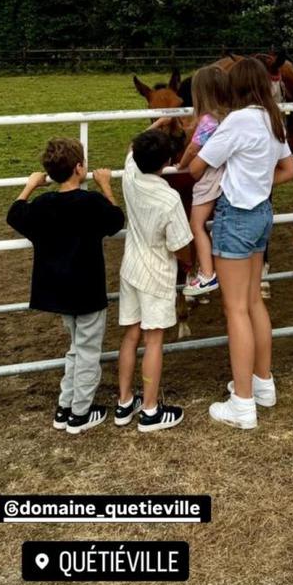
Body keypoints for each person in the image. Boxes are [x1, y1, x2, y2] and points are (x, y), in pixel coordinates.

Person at [189, 57, 293, 429]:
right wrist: (260, 181)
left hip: (235, 215)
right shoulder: (272, 118)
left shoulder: (237, 121)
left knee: (235, 310)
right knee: (253, 303)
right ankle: (262, 384)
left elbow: (196, 167)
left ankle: (243, 402)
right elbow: (288, 169)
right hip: (262, 213)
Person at [6, 137, 124, 434]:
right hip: (87, 292)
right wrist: (106, 185)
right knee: (86, 351)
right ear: (79, 168)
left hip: (57, 292)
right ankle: (80, 413)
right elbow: (116, 220)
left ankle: (65, 406)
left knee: (75, 347)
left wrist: (31, 186)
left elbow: (14, 214)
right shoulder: (91, 203)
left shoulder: (42, 205)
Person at [117, 119, 194, 433]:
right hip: (157, 274)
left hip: (130, 268)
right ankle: (150, 410)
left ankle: (124, 403)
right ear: (170, 162)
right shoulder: (169, 199)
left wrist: (159, 121)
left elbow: (131, 149)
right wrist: (192, 266)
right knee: (153, 341)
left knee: (131, 335)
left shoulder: (130, 175)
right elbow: (181, 246)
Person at [176, 65, 230, 298]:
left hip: (209, 176)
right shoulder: (229, 117)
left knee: (196, 224)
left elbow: (193, 147)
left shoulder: (208, 120)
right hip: (227, 175)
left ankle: (207, 273)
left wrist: (181, 165)